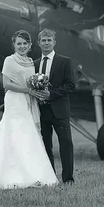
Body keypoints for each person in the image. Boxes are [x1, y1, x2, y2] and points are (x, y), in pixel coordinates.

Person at [0, 30, 59, 190]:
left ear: (30, 45)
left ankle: (32, 174)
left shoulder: (30, 61)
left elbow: (30, 81)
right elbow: (7, 84)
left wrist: (37, 88)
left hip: (28, 100)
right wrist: (28, 90)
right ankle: (6, 175)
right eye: (18, 44)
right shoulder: (9, 60)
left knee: (28, 134)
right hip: (15, 100)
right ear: (14, 45)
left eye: (24, 44)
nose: (22, 46)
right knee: (14, 131)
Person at [34, 29, 76, 184]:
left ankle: (68, 179)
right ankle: (50, 178)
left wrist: (51, 94)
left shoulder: (65, 61)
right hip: (42, 111)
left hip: (60, 110)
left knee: (66, 144)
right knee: (45, 146)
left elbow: (71, 85)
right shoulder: (35, 63)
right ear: (39, 43)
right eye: (43, 40)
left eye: (49, 40)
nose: (46, 43)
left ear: (54, 42)